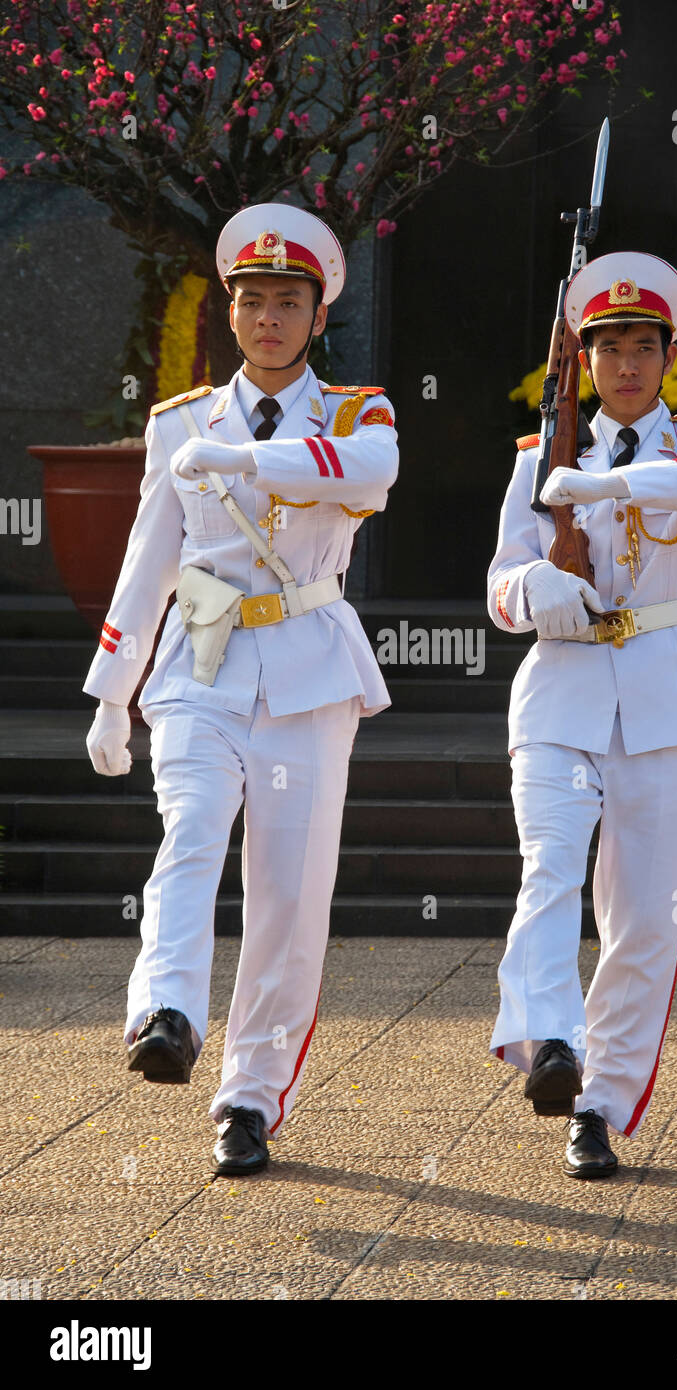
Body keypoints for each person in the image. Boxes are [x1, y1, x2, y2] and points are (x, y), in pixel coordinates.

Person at [83, 204, 398, 1176]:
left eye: (287, 302)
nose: (268, 317)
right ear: (230, 311)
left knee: (289, 901)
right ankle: (164, 1012)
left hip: (305, 656)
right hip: (206, 647)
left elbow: (371, 476)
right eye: (252, 300)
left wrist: (249, 461)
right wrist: (111, 688)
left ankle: (249, 1097)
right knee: (190, 828)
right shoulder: (178, 423)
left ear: (316, 315)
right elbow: (149, 562)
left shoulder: (355, 414)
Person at [487, 251, 677, 1178]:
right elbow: (497, 587)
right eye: (609, 349)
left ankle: (598, 1106)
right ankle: (550, 1041)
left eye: (646, 348)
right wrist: (536, 590)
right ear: (584, 359)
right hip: (561, 687)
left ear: (668, 356)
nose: (629, 366)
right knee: (549, 866)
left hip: (662, 690)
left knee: (642, 915)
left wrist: (603, 488)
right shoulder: (539, 454)